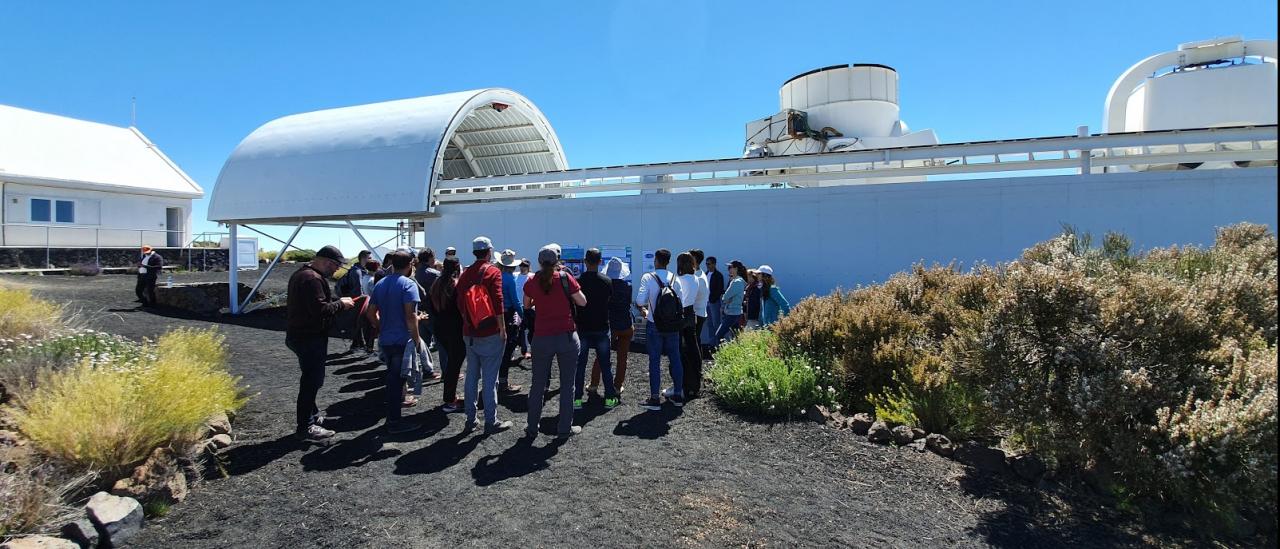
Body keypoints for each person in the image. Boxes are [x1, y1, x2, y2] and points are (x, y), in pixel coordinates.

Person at [285, 245, 355, 441]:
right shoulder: (311, 279)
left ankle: (312, 416)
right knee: (311, 381)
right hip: (308, 337)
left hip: (301, 335)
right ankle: (306, 426)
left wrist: (339, 300)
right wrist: (342, 304)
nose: (336, 270)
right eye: (335, 266)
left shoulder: (303, 274)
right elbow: (320, 309)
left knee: (312, 378)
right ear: (325, 261)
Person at [523, 246, 588, 437]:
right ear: (557, 260)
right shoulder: (566, 278)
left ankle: (532, 427)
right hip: (566, 336)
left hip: (542, 337)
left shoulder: (532, 280)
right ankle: (564, 428)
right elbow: (582, 301)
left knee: (538, 384)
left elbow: (526, 304)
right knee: (568, 385)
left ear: (539, 261)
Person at [455, 236, 513, 433]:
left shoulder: (465, 274)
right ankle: (491, 420)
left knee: (472, 375)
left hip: (469, 332)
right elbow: (498, 302)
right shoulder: (492, 272)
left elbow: (460, 303)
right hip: (490, 332)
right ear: (489, 251)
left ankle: (471, 419)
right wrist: (503, 329)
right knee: (490, 378)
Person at [365, 251, 424, 434]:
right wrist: (416, 338)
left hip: (386, 339)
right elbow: (410, 315)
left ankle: (393, 417)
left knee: (392, 377)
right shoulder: (408, 285)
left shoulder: (381, 283)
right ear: (410, 264)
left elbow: (370, 312)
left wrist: (382, 327)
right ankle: (394, 421)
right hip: (401, 340)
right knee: (396, 381)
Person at [635, 248, 687, 410]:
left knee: (654, 361)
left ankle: (655, 398)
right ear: (668, 262)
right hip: (672, 325)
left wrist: (644, 310)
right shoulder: (674, 279)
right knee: (675, 358)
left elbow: (639, 300)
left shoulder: (648, 277)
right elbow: (682, 303)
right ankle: (678, 394)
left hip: (654, 324)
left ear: (655, 260)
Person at [573, 248, 620, 409]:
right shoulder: (607, 281)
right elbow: (610, 303)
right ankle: (609, 399)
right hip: (601, 327)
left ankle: (577, 400)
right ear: (600, 262)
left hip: (582, 327)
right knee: (605, 365)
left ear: (585, 262)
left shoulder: (577, 281)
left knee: (580, 365)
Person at [589, 256, 633, 396]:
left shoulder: (604, 286)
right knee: (622, 358)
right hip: (626, 324)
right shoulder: (628, 287)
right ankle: (618, 385)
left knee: (601, 356)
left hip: (609, 326)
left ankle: (594, 384)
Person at [427, 257, 466, 413]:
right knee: (454, 364)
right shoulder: (454, 285)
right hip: (454, 328)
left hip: (439, 326)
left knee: (451, 362)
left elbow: (430, 305)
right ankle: (450, 400)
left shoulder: (436, 284)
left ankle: (450, 397)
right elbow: (460, 309)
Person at [676, 252, 705, 399]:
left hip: (680, 315)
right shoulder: (695, 278)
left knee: (680, 352)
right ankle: (695, 383)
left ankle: (682, 384)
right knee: (693, 350)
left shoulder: (678, 280)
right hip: (691, 314)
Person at [495, 249, 524, 394]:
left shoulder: (496, 275)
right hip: (508, 315)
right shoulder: (509, 278)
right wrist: (523, 314)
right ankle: (503, 382)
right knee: (507, 350)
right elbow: (515, 300)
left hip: (495, 315)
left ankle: (495, 380)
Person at [337, 251, 372, 353]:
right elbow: (358, 290)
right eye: (369, 258)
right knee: (358, 323)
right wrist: (363, 300)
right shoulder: (357, 272)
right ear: (363, 258)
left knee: (357, 324)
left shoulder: (356, 270)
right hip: (356, 301)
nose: (370, 260)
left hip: (353, 300)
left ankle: (357, 345)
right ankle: (357, 345)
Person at [713, 260, 747, 349]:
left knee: (718, 335)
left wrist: (727, 298)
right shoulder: (739, 281)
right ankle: (735, 356)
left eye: (730, 267)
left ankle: (723, 355)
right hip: (736, 312)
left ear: (736, 269)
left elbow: (725, 297)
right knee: (736, 337)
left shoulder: (736, 282)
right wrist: (728, 298)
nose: (729, 269)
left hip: (732, 313)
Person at [703, 256, 725, 353]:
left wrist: (713, 299)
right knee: (709, 324)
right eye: (706, 264)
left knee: (716, 323)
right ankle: (712, 344)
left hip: (714, 303)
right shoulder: (705, 274)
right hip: (706, 303)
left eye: (709, 263)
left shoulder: (718, 275)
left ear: (714, 264)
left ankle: (719, 344)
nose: (707, 265)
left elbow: (719, 290)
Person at [513, 258, 533, 359]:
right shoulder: (515, 275)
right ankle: (511, 351)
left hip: (526, 306)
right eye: (521, 265)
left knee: (526, 329)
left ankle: (527, 350)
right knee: (513, 328)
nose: (522, 267)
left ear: (528, 267)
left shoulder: (531, 276)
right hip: (515, 306)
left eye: (525, 265)